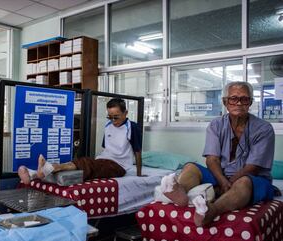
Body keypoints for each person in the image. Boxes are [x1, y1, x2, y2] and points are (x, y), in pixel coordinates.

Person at [162, 81, 275, 227]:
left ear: (250, 103)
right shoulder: (216, 124)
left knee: (244, 182)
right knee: (190, 167)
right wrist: (222, 181)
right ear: (225, 102)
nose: (239, 103)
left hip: (253, 179)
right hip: (220, 175)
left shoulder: (264, 129)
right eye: (233, 98)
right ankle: (180, 192)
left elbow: (253, 167)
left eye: (244, 99)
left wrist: (228, 183)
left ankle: (211, 211)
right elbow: (211, 159)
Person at [18, 98, 143, 184]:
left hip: (119, 166)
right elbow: (106, 148)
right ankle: (34, 174)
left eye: (116, 117)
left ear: (125, 113)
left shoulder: (132, 127)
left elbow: (138, 152)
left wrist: (139, 175)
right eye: (110, 117)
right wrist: (99, 160)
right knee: (84, 164)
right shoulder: (108, 126)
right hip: (104, 160)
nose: (113, 121)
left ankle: (48, 168)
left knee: (86, 164)